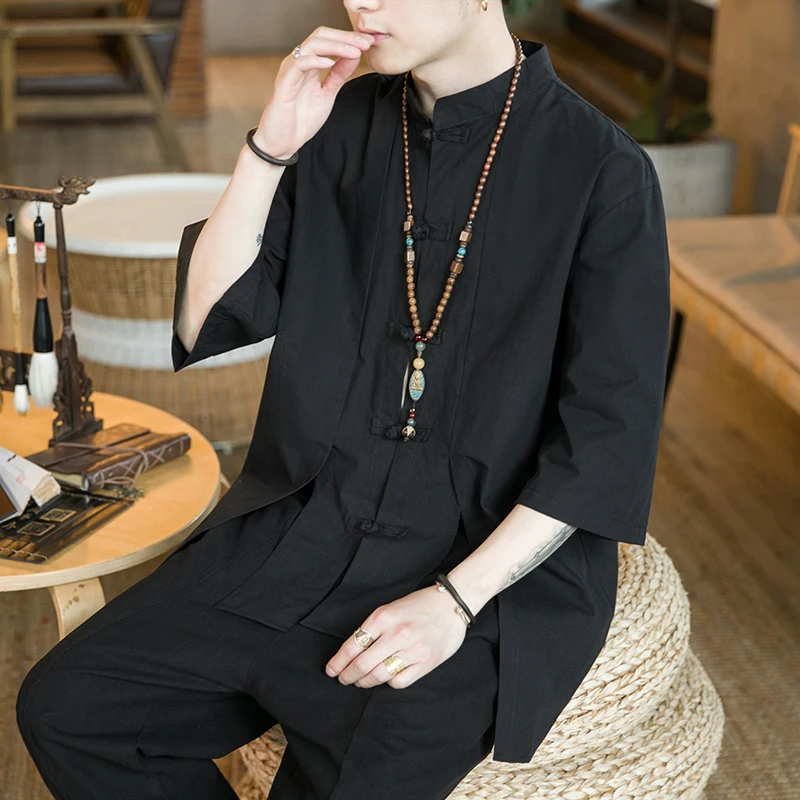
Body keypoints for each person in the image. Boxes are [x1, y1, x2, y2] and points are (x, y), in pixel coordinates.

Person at [15, 0, 671, 797]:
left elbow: (605, 443)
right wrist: (269, 149)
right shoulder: (342, 123)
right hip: (303, 524)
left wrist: (454, 603)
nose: (365, 2)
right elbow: (207, 317)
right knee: (69, 709)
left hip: (479, 562)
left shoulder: (602, 170)